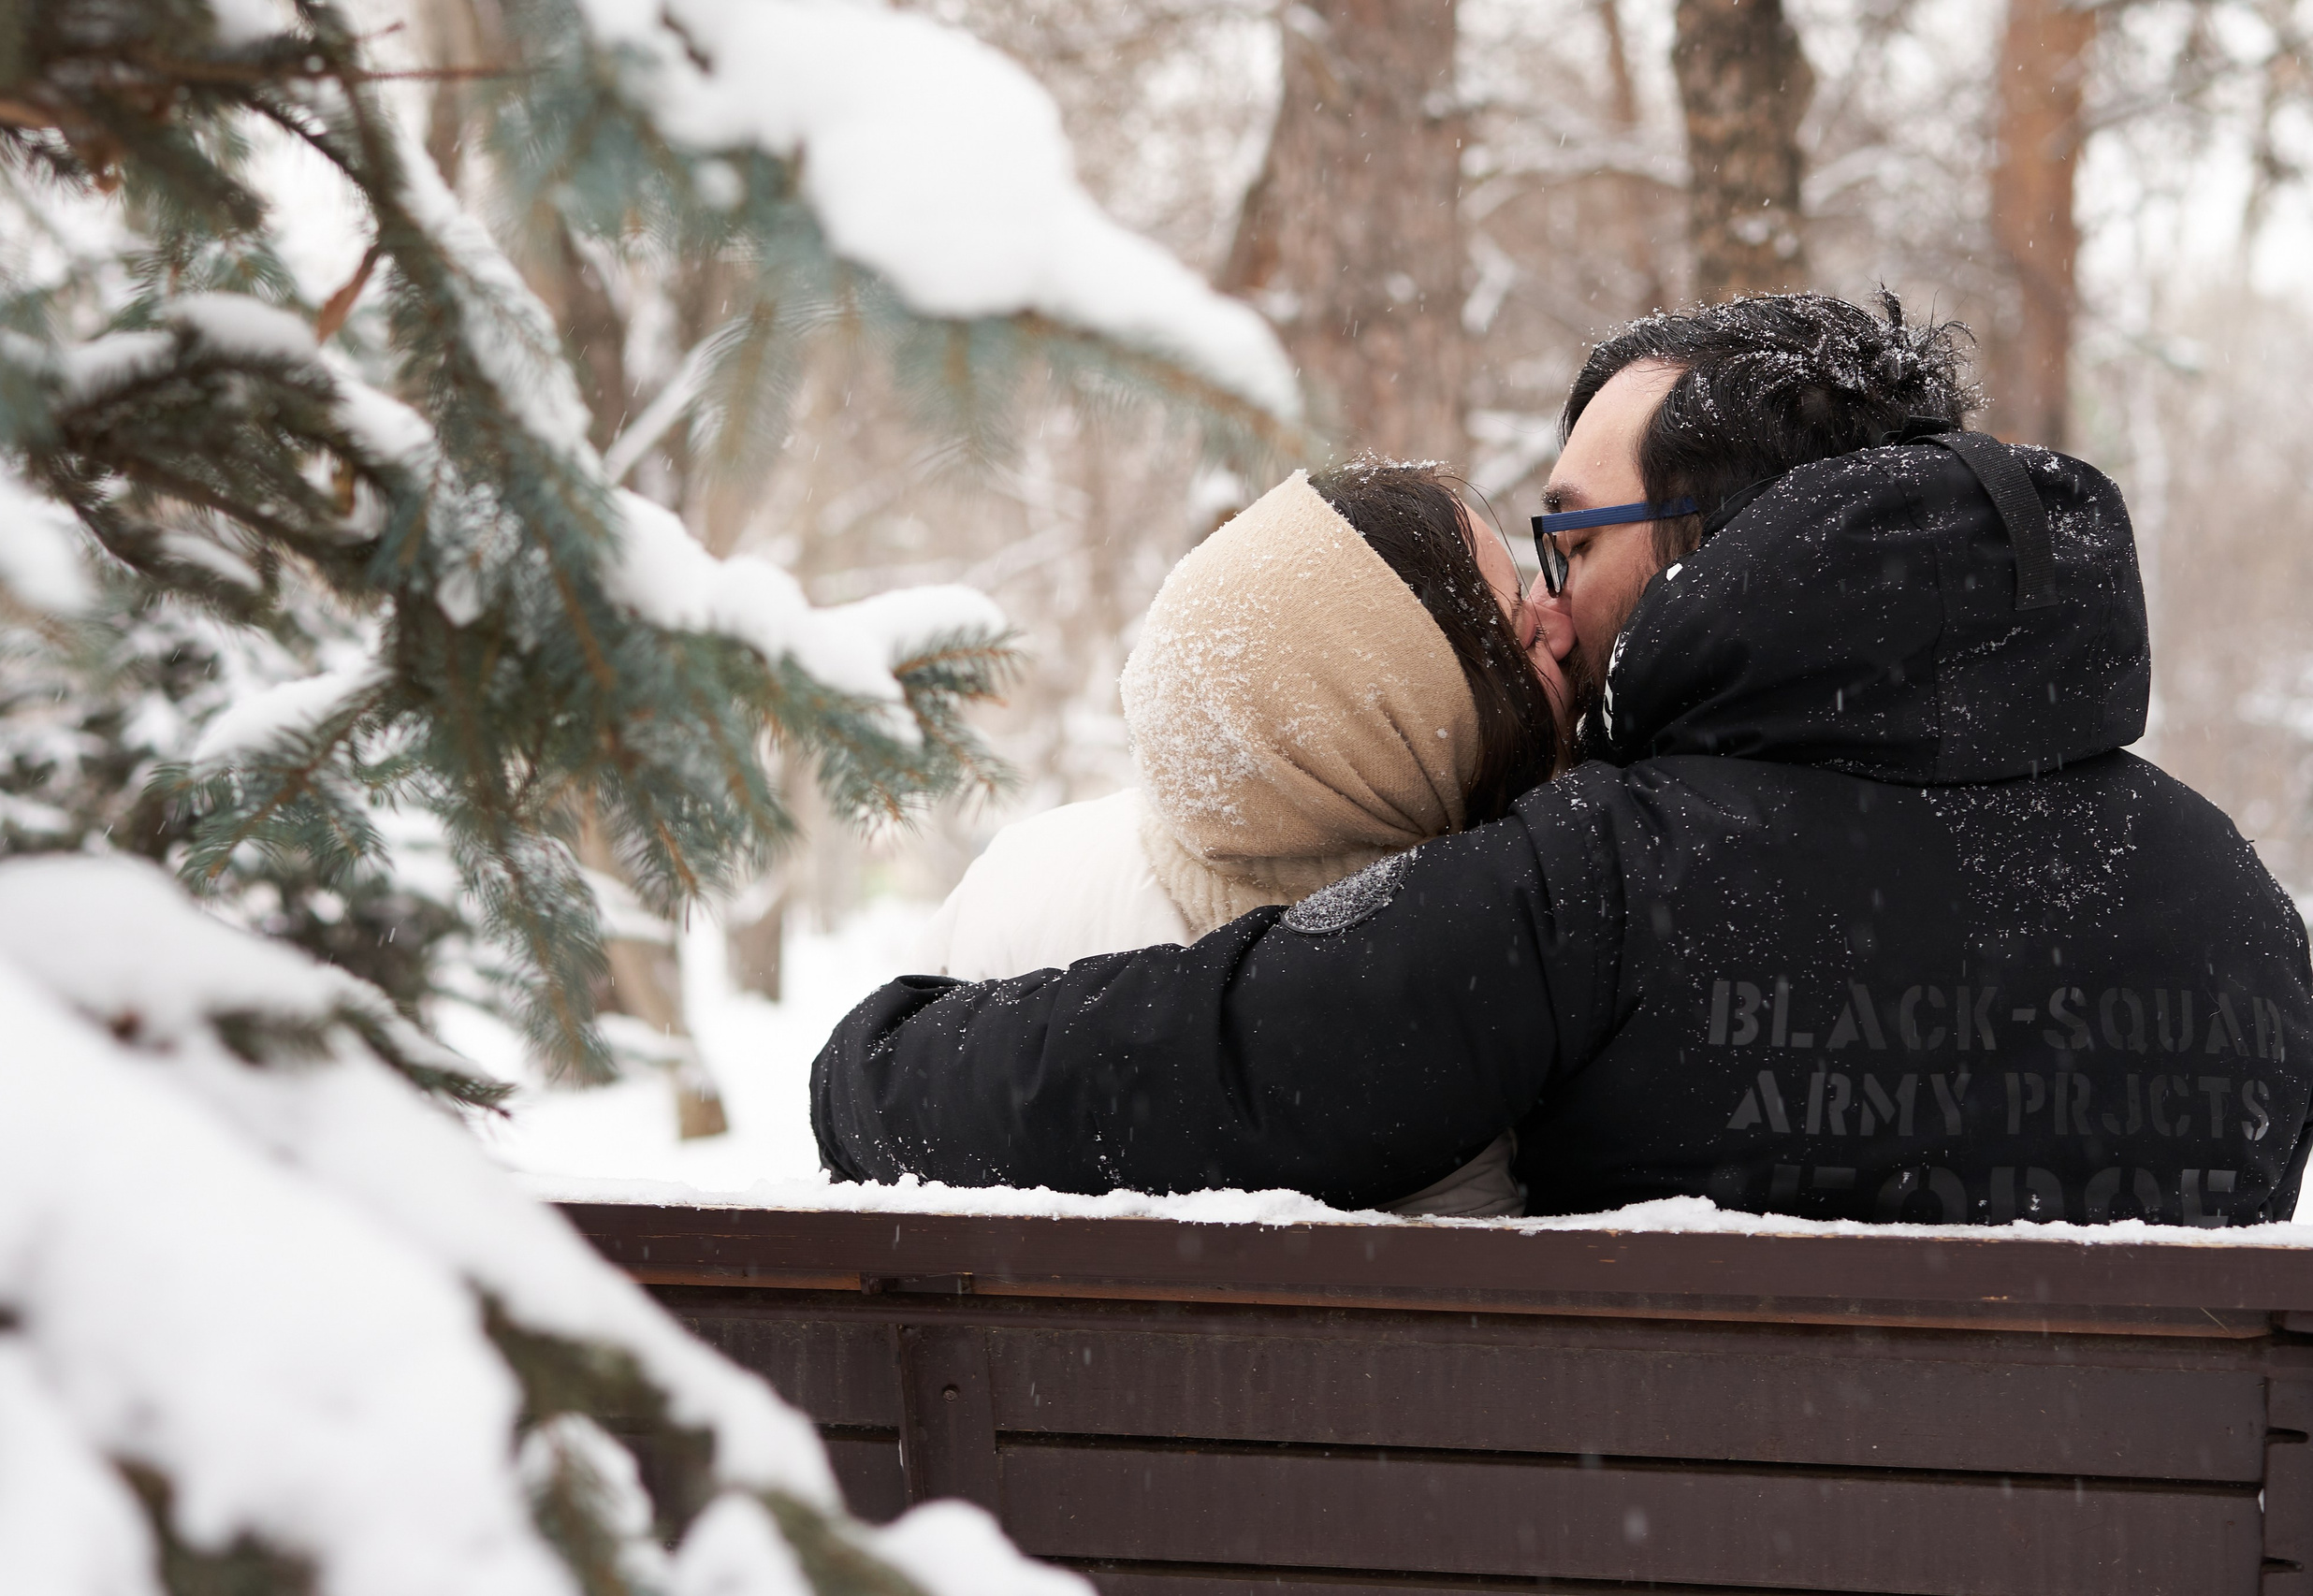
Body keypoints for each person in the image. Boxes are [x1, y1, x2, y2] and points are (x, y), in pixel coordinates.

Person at [812, 292, 2313, 1226]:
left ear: (1722, 555)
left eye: (1572, 532)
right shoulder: (2236, 909)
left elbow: (1226, 1066)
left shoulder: (1611, 881)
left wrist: (879, 1065)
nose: (1546, 595)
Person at [909, 459, 1571, 1214]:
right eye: (1521, 629)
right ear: (1408, 734)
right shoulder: (1456, 1004)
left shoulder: (1021, 876)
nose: (1562, 618)